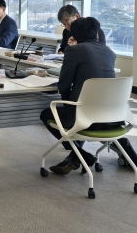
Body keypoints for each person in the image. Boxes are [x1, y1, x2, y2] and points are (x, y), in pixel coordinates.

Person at [40, 17, 117, 175]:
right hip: (110, 116)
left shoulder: (74, 50)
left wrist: (68, 104)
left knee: (46, 114)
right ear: (96, 32)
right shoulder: (110, 52)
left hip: (85, 116)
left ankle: (81, 155)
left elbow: (63, 85)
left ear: (74, 35)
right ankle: (78, 156)